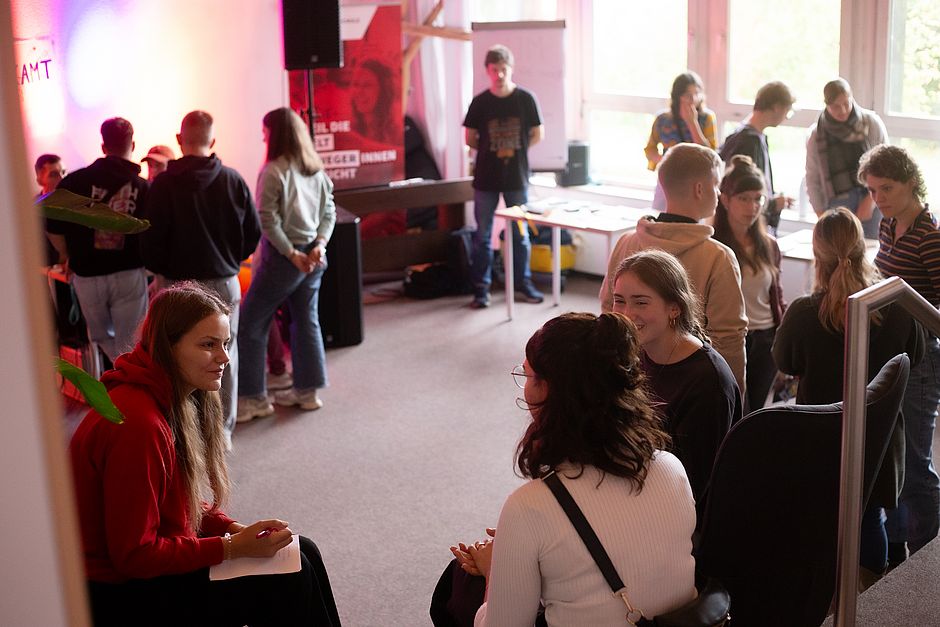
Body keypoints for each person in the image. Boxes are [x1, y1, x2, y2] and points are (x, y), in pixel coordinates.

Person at [69, 283, 341, 627]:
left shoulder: (164, 394)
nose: (224, 358)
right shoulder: (140, 424)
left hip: (141, 572)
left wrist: (234, 530)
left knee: (304, 553)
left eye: (224, 344)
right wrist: (230, 547)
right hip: (117, 594)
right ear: (168, 347)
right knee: (290, 580)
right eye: (208, 345)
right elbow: (135, 556)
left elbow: (170, 500)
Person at [452, 312, 696, 625]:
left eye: (527, 376)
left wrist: (494, 572)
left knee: (460, 585)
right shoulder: (672, 469)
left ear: (546, 390)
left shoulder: (529, 508)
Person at [772, 207, 924, 576]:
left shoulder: (805, 311)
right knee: (870, 520)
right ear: (862, 247)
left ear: (816, 254)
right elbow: (915, 356)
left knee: (818, 516)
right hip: (879, 435)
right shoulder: (896, 303)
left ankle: (819, 594)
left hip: (820, 431)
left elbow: (785, 360)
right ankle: (869, 599)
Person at [140, 110, 261, 445]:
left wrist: (161, 271)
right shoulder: (233, 180)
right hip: (223, 279)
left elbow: (149, 240)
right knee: (225, 354)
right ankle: (222, 432)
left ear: (180, 140)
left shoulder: (162, 184)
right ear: (213, 141)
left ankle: (185, 431)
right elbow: (253, 232)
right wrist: (229, 258)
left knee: (177, 355)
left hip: (177, 285)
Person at [600, 142, 747, 391]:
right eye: (717, 185)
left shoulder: (627, 241)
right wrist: (735, 396)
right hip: (692, 384)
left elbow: (608, 312)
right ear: (700, 189)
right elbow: (728, 338)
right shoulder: (718, 257)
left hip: (629, 375)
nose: (719, 194)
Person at [859, 144, 940, 560]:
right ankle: (897, 542)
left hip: (925, 356)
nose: (879, 199)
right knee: (894, 453)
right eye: (873, 191)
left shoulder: (930, 236)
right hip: (895, 350)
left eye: (886, 188)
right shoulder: (889, 225)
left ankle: (926, 551)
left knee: (915, 461)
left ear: (911, 182)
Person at [611, 250, 740, 502]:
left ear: (674, 308)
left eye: (640, 302)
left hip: (679, 508)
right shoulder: (634, 351)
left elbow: (695, 484)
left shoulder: (708, 382)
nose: (626, 313)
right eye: (619, 300)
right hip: (638, 484)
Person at [237, 107, 336, 422]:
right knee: (307, 320)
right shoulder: (316, 169)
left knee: (251, 324)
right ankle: (307, 393)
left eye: (265, 131)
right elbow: (329, 213)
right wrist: (319, 245)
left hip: (283, 260)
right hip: (314, 257)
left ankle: (253, 399)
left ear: (274, 134)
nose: (262, 136)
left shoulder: (274, 170)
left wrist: (293, 254)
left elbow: (267, 220)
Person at [46, 117, 149, 365]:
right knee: (132, 344)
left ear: (103, 147)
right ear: (132, 145)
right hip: (129, 273)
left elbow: (51, 223)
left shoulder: (74, 181)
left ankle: (112, 383)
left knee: (100, 339)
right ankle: (127, 386)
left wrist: (65, 255)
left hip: (87, 273)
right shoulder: (144, 186)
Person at [464, 44, 545, 309]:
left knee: (519, 235)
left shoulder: (525, 99)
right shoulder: (480, 102)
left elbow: (537, 133)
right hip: (485, 178)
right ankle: (481, 289)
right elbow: (470, 138)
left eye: (503, 69)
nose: (499, 75)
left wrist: (516, 151)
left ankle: (523, 283)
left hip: (516, 177)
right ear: (487, 71)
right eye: (494, 70)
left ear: (511, 69)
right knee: (483, 236)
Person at [713, 155, 786, 412]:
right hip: (728, 338)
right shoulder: (714, 247)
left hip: (766, 338)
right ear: (725, 200)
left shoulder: (769, 244)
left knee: (755, 411)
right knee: (729, 407)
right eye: (744, 198)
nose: (752, 206)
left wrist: (783, 338)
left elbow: (775, 296)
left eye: (758, 199)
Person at [806, 78, 888, 239]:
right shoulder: (816, 135)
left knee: (872, 250)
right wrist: (821, 214)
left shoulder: (871, 123)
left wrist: (870, 200)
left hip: (871, 197)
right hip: (837, 203)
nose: (843, 110)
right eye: (835, 106)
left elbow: (886, 166)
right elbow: (812, 178)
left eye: (846, 103)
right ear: (826, 105)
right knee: (839, 253)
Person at [719, 81, 797, 232]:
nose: (786, 117)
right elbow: (744, 191)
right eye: (787, 111)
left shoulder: (741, 135)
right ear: (776, 107)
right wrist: (774, 204)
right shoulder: (750, 142)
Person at [644, 71, 719, 210]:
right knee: (662, 219)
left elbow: (710, 154)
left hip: (696, 183)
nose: (693, 99)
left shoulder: (707, 118)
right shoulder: (663, 119)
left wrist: (692, 123)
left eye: (697, 94)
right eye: (687, 95)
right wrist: (665, 163)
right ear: (677, 96)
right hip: (668, 181)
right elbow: (650, 149)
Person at [350, 59, 399, 145]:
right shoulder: (349, 130)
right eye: (356, 84)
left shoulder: (396, 133)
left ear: (383, 91)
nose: (359, 92)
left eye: (367, 85)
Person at [34, 153, 65, 266]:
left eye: (63, 172)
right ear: (40, 179)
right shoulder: (33, 211)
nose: (62, 178)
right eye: (53, 175)